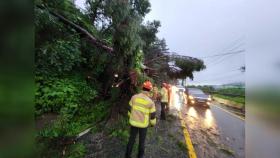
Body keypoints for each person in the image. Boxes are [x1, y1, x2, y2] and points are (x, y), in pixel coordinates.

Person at [125, 81, 156, 158]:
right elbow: (153, 114)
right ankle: (140, 156)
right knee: (142, 142)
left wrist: (130, 116)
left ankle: (127, 156)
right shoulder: (150, 102)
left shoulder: (134, 97)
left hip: (133, 122)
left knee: (131, 140)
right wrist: (152, 123)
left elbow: (129, 108)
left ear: (142, 88)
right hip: (143, 125)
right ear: (149, 90)